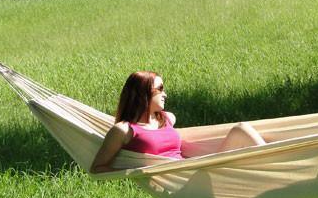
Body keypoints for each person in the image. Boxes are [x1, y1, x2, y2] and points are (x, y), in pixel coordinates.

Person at [90, 71, 266, 173]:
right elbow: (98, 167)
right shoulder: (123, 130)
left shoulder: (167, 118)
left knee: (241, 130)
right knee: (241, 131)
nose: (165, 94)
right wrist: (138, 174)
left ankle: (274, 164)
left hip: (194, 167)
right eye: (160, 89)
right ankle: (273, 168)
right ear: (143, 94)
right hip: (178, 179)